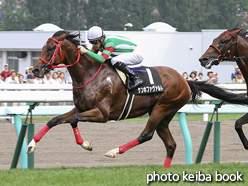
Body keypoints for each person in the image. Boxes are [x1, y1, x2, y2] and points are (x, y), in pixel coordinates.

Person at [77, 26, 143, 90]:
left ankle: (135, 77)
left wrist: (86, 51)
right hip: (126, 54)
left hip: (136, 54)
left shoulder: (110, 42)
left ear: (102, 39)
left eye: (95, 42)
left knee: (114, 60)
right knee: (108, 61)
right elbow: (91, 57)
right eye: (91, 42)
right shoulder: (98, 42)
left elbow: (101, 59)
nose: (93, 45)